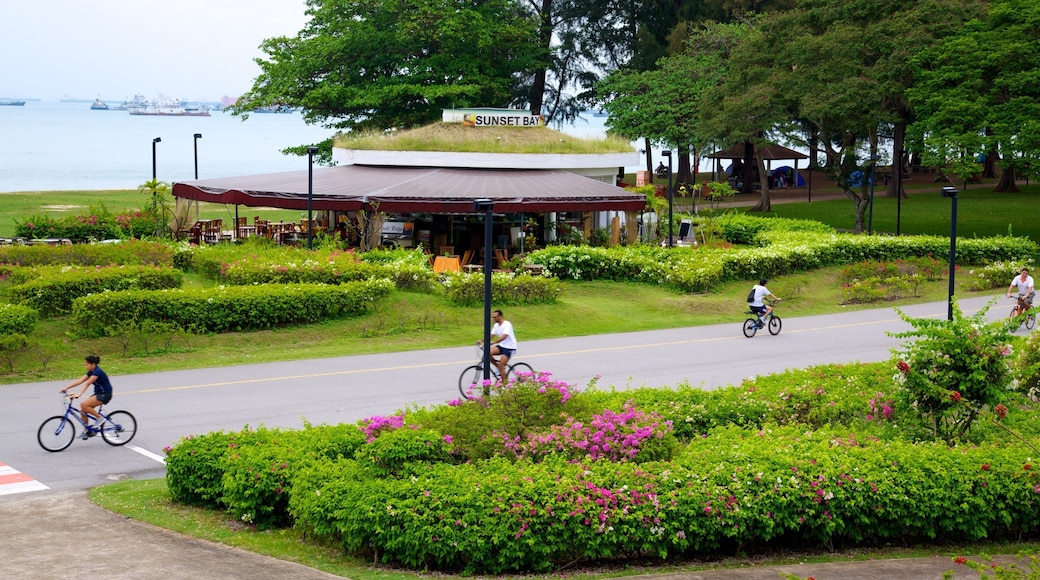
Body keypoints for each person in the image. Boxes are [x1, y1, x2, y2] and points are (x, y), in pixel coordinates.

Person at [60, 355, 113, 439]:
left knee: (83, 405)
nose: (85, 366)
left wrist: (79, 394)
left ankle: (100, 418)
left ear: (93, 364)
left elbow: (87, 383)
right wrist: (66, 387)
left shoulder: (97, 372)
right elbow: (80, 381)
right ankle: (86, 431)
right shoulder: (91, 372)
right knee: (83, 410)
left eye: (87, 365)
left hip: (105, 394)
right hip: (98, 393)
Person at [477, 309, 517, 381]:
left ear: (500, 317)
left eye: (495, 317)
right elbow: (491, 335)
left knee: (502, 365)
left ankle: (505, 384)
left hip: (510, 347)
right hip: (502, 346)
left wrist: (494, 342)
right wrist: (482, 340)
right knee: (487, 353)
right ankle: (498, 367)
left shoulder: (507, 324)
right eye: (493, 317)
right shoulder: (496, 325)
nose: (494, 319)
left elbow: (504, 336)